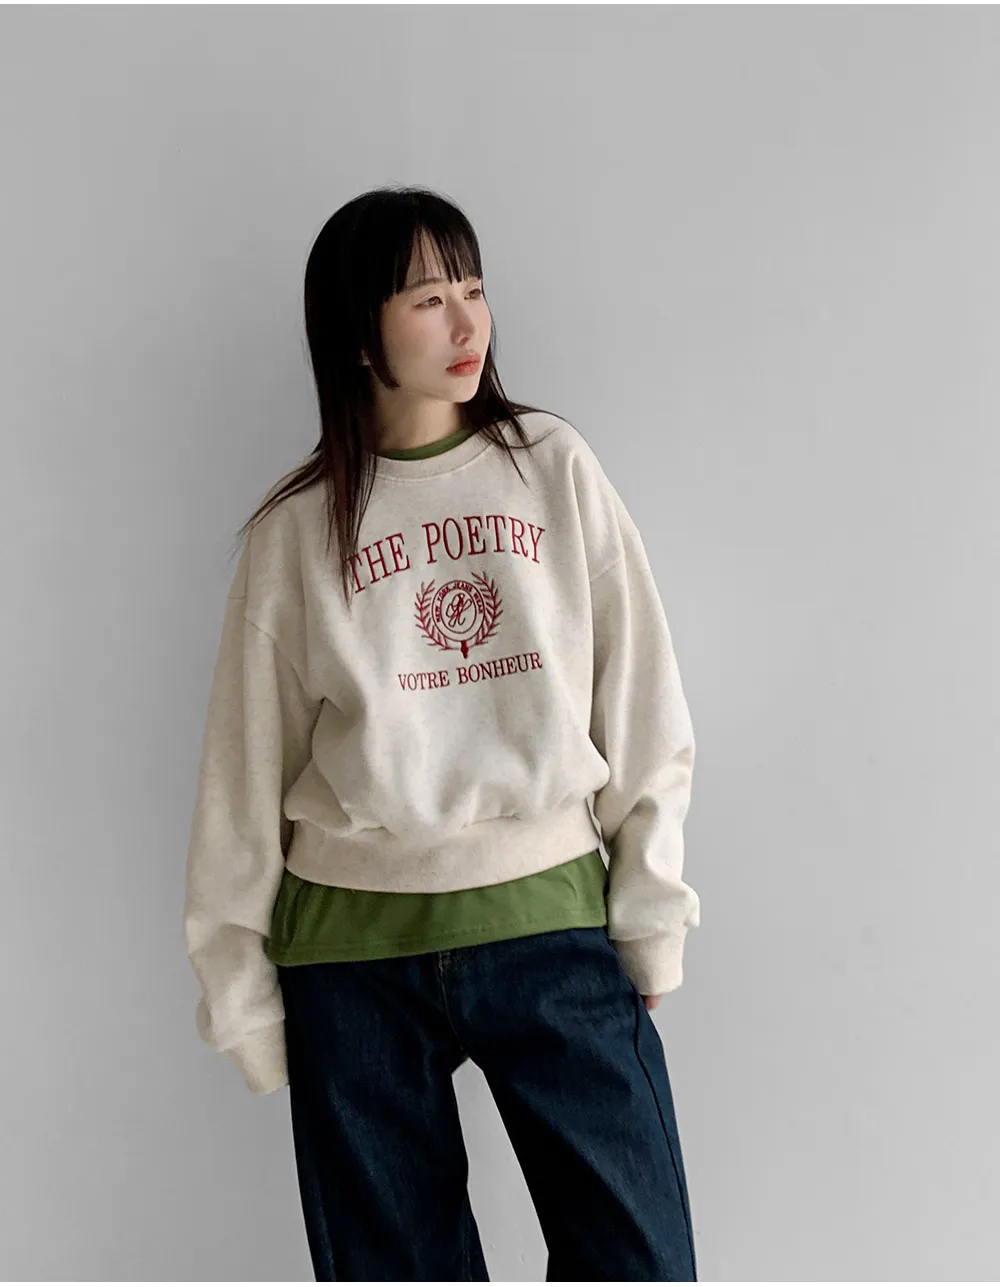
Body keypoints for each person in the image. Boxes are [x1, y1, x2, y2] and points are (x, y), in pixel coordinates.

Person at [183, 185, 701, 1282]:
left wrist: (650, 907)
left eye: (473, 288)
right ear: (358, 334)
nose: (468, 323)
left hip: (548, 925)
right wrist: (241, 999)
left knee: (639, 1261)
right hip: (350, 959)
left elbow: (642, 698)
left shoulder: (549, 466)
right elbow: (241, 774)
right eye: (428, 299)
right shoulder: (295, 533)